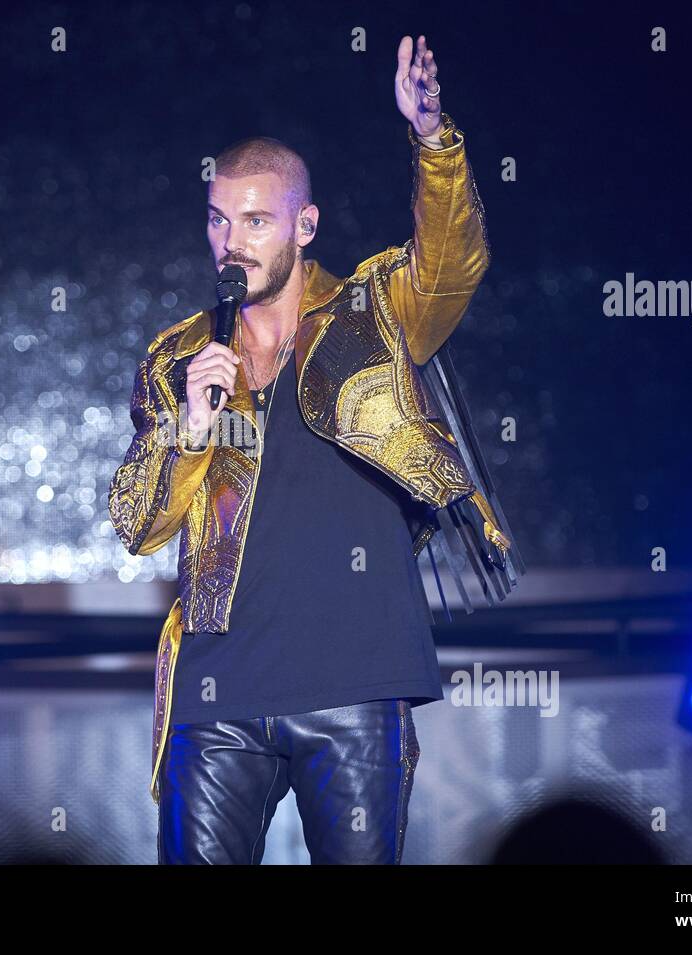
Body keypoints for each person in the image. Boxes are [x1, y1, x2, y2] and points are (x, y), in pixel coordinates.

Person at [109, 35, 521, 864]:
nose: (234, 241)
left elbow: (452, 264)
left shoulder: (376, 312)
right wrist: (191, 426)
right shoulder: (180, 357)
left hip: (356, 683)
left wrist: (434, 140)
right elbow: (137, 522)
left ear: (304, 224)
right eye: (220, 220)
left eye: (257, 221)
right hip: (216, 695)